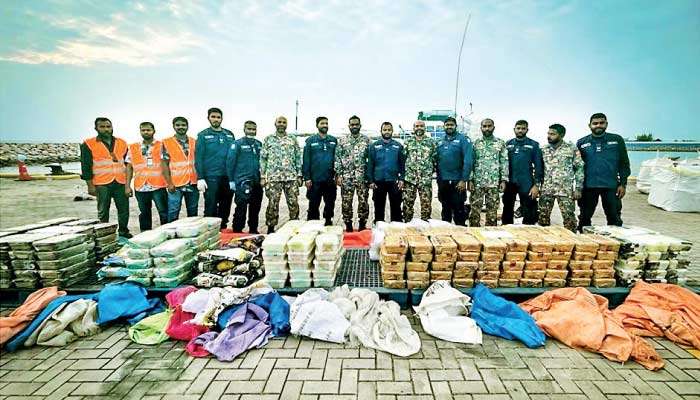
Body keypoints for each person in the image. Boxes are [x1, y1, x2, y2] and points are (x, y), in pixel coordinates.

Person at [576, 113, 630, 230]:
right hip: (588, 186)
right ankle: (585, 243)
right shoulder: (581, 143)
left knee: (614, 218)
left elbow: (624, 164)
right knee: (584, 218)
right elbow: (577, 166)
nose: (598, 125)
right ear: (589, 125)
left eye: (601, 123)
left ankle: (616, 243)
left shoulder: (616, 140)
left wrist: (623, 184)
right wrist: (578, 187)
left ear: (606, 124)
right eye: (595, 123)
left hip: (611, 186)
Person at [80, 117, 131, 238]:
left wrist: (128, 184)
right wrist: (90, 186)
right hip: (102, 182)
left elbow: (128, 163)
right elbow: (86, 166)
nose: (106, 129)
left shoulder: (122, 142)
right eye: (102, 127)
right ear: (96, 128)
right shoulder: (88, 144)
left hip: (120, 181)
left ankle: (124, 232)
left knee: (124, 210)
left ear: (112, 127)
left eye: (108, 127)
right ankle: (104, 234)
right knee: (103, 210)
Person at [260, 116, 302, 233]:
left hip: (291, 177)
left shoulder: (292, 139)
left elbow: (298, 157)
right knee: (273, 203)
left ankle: (295, 226)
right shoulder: (268, 139)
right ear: (275, 123)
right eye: (279, 122)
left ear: (286, 124)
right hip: (274, 178)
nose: (282, 124)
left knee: (293, 203)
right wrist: (263, 176)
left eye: (284, 122)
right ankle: (271, 228)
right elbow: (263, 159)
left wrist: (299, 175)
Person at [195, 107, 235, 229]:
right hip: (211, 176)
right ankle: (210, 230)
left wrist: (234, 177)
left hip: (227, 176)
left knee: (226, 204)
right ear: (208, 118)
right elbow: (198, 157)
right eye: (213, 117)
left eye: (218, 117)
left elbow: (234, 156)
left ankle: (222, 227)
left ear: (222, 119)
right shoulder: (203, 135)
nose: (216, 119)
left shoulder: (229, 134)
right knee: (211, 205)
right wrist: (200, 177)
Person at [538, 124, 584, 232]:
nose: (549, 136)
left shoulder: (571, 149)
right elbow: (538, 169)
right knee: (542, 218)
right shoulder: (543, 149)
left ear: (562, 135)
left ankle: (572, 241)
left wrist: (578, 188)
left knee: (569, 219)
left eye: (553, 134)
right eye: (548, 134)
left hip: (565, 190)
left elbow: (579, 168)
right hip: (546, 189)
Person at [125, 122, 168, 232]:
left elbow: (167, 164)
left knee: (163, 211)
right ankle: (145, 234)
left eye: (148, 130)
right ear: (140, 132)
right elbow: (129, 167)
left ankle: (166, 233)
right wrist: (127, 186)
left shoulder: (161, 145)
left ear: (154, 131)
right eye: (143, 130)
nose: (146, 132)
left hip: (158, 185)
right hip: (141, 186)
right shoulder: (133, 147)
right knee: (144, 213)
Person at [502, 120, 543, 225]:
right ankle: (506, 230)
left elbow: (539, 166)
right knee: (507, 207)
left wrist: (536, 185)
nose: (520, 130)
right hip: (510, 181)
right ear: (514, 129)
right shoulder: (508, 144)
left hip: (526, 182)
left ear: (527, 130)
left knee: (529, 209)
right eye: (518, 128)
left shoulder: (533, 145)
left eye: (523, 128)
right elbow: (502, 163)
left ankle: (529, 233)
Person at [469, 118, 508, 227]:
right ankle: (473, 236)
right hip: (477, 182)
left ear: (493, 127)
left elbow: (504, 162)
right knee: (474, 211)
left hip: (494, 183)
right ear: (481, 128)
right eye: (484, 126)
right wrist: (470, 179)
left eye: (489, 126)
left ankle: (491, 237)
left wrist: (503, 180)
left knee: (492, 212)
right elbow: (471, 162)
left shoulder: (500, 143)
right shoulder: (475, 143)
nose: (487, 128)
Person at [335, 115, 371, 232]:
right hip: (347, 177)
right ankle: (348, 225)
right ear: (349, 126)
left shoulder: (367, 141)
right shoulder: (342, 141)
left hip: (362, 177)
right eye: (352, 124)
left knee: (363, 202)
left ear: (360, 125)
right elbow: (337, 158)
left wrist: (370, 177)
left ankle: (362, 224)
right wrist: (338, 175)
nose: (354, 126)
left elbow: (371, 160)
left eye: (356, 124)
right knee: (346, 202)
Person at [435, 116, 473, 225]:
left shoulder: (463, 139)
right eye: (447, 125)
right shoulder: (440, 141)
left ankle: (461, 234)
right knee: (445, 209)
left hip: (458, 181)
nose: (449, 127)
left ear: (456, 126)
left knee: (458, 210)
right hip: (443, 181)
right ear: (444, 127)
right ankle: (446, 235)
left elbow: (468, 160)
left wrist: (464, 179)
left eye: (452, 125)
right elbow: (436, 161)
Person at [226, 121, 263, 233]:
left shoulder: (259, 144)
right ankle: (237, 229)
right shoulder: (237, 144)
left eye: (253, 129)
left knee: (255, 207)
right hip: (242, 181)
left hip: (256, 180)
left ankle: (253, 229)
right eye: (249, 129)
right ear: (244, 129)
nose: (251, 131)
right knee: (241, 206)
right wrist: (231, 180)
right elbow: (230, 162)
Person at [161, 116, 199, 222]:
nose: (181, 127)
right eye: (178, 125)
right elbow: (164, 164)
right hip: (176, 184)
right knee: (173, 211)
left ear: (187, 126)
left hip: (192, 183)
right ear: (173, 126)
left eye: (183, 125)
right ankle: (172, 234)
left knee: (193, 212)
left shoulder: (194, 141)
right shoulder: (166, 142)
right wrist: (169, 183)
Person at [367, 122, 405, 223]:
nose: (387, 132)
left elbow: (402, 164)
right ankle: (379, 228)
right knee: (378, 207)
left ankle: (396, 229)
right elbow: (370, 164)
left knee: (396, 207)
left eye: (389, 130)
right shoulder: (374, 146)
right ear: (381, 131)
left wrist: (401, 179)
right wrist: (370, 180)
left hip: (394, 181)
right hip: (378, 181)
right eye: (385, 130)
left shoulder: (398, 146)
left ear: (392, 131)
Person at [303, 116, 338, 225]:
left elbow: (338, 159)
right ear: (317, 125)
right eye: (322, 123)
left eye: (326, 123)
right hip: (315, 179)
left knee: (330, 202)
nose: (325, 125)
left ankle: (328, 221)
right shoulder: (310, 141)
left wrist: (337, 175)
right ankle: (313, 224)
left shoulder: (333, 140)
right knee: (313, 203)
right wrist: (307, 177)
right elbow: (306, 160)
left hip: (329, 179)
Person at [402, 120, 436, 221]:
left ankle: (425, 227)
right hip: (410, 179)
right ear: (413, 128)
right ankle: (407, 226)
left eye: (421, 126)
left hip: (425, 180)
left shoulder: (431, 143)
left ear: (425, 128)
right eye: (417, 126)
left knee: (426, 206)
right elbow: (403, 158)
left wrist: (429, 172)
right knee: (407, 206)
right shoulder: (408, 142)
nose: (419, 128)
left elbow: (435, 159)